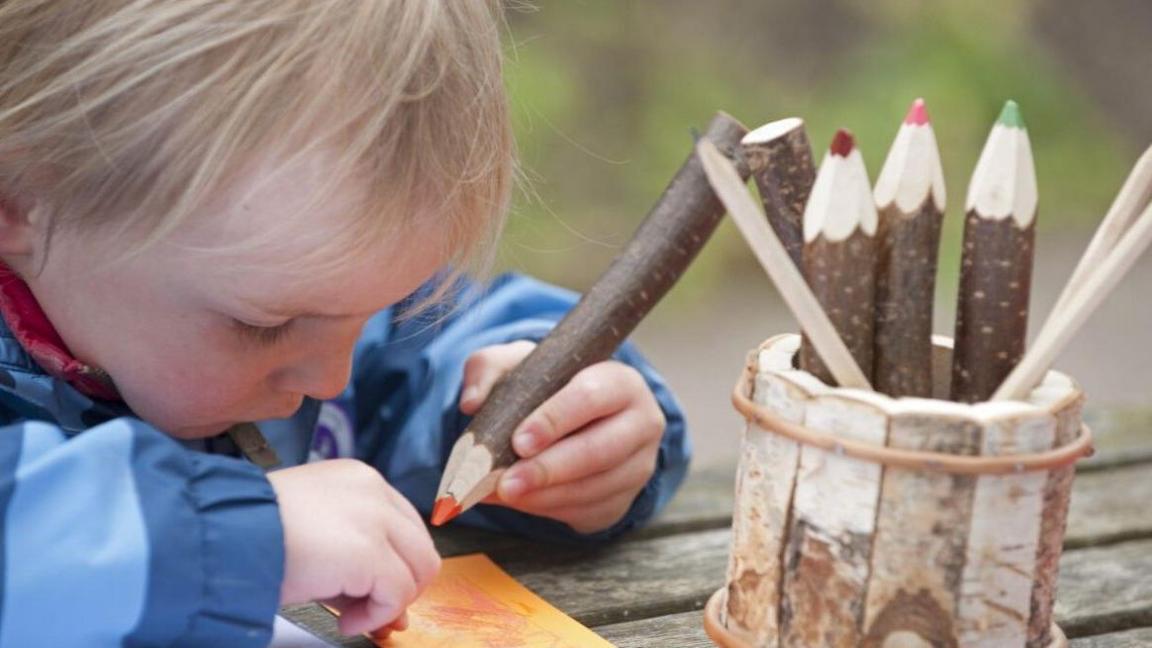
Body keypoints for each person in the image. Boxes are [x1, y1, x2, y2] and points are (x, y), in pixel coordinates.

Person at [0, 1, 690, 645]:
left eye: (385, 303)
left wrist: (542, 433)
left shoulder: (294, 293)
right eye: (266, 326)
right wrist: (228, 538)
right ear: (17, 201)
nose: (331, 378)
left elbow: (441, 343)